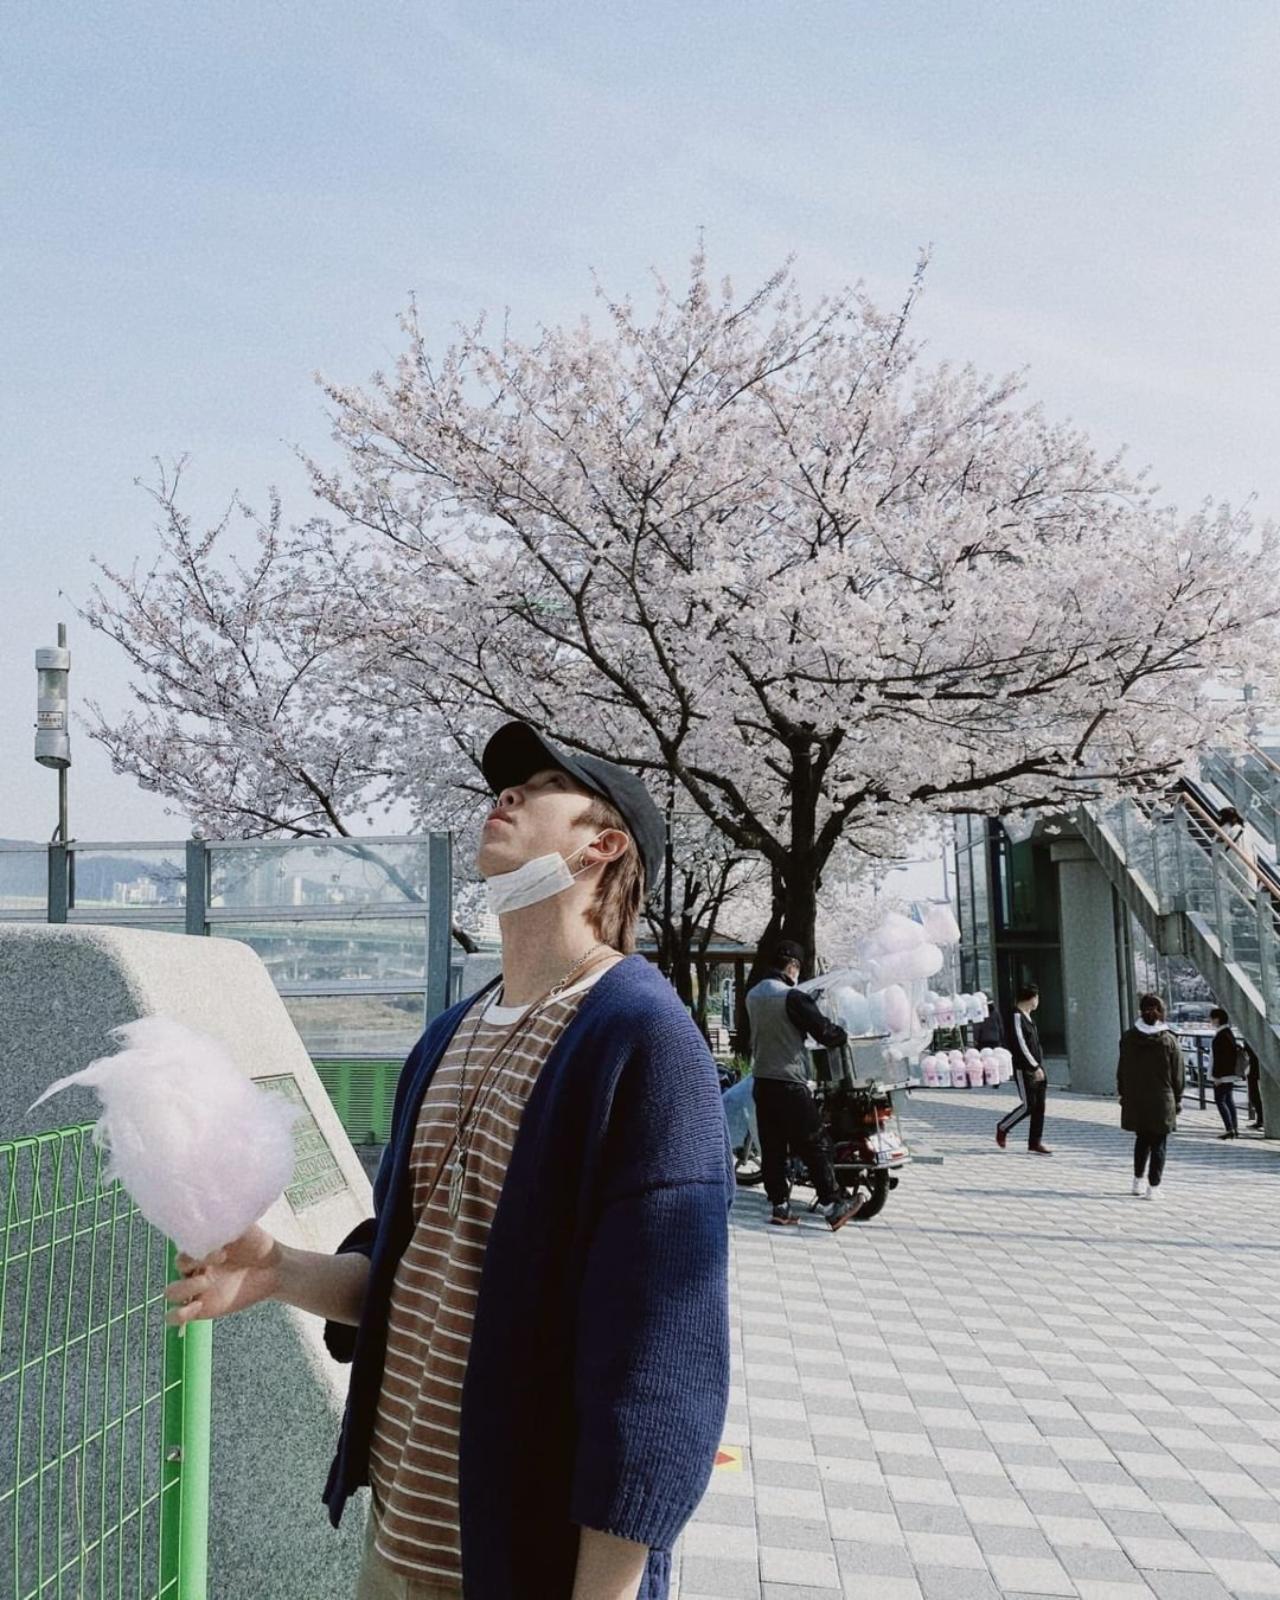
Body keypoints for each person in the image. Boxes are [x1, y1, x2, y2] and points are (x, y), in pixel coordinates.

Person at [164, 721, 734, 1600]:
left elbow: (660, 1361)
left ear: (602, 846)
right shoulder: (449, 1036)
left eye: (539, 785)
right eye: (504, 786)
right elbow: (401, 1270)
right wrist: (280, 1271)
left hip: (527, 1566)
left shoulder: (644, 1042)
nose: (503, 796)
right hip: (396, 1542)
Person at [745, 940, 866, 1230]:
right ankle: (832, 1205)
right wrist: (843, 1034)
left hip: (762, 1080)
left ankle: (780, 1206)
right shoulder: (792, 997)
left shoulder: (753, 995)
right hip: (790, 1081)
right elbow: (824, 1032)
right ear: (792, 966)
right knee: (815, 1142)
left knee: (772, 1147)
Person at [1116, 993, 1185, 1198]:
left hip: (1136, 1098)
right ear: (1161, 1012)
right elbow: (1178, 1074)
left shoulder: (1128, 1037)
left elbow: (1122, 1070)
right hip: (1162, 1099)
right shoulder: (1169, 1040)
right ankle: (1153, 1187)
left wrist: (1124, 1093)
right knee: (1159, 1143)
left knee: (1142, 1139)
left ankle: (1137, 1181)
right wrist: (1178, 1099)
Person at [996, 983, 1052, 1154]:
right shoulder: (1016, 1016)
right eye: (1037, 997)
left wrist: (1039, 1066)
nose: (1038, 1001)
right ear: (1031, 998)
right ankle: (1003, 1127)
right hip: (1025, 1068)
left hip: (1038, 1067)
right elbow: (1020, 1045)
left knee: (1039, 1106)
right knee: (1029, 1105)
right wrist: (1033, 1066)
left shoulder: (1028, 1017)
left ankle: (1035, 1142)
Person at [1210, 1006, 1241, 1138]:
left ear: (1217, 1019)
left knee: (1220, 1100)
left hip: (1222, 1075)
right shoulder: (1228, 1033)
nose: (1210, 1021)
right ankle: (1234, 1128)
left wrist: (1217, 1076)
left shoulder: (1221, 1036)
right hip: (1229, 1074)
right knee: (1228, 1100)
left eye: (1211, 1019)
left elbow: (1219, 1058)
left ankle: (1229, 1129)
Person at [1244, 1038, 1264, 1132]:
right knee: (1254, 1095)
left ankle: (1261, 1120)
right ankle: (1261, 1119)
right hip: (1254, 1068)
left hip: (1255, 1068)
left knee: (1254, 1095)